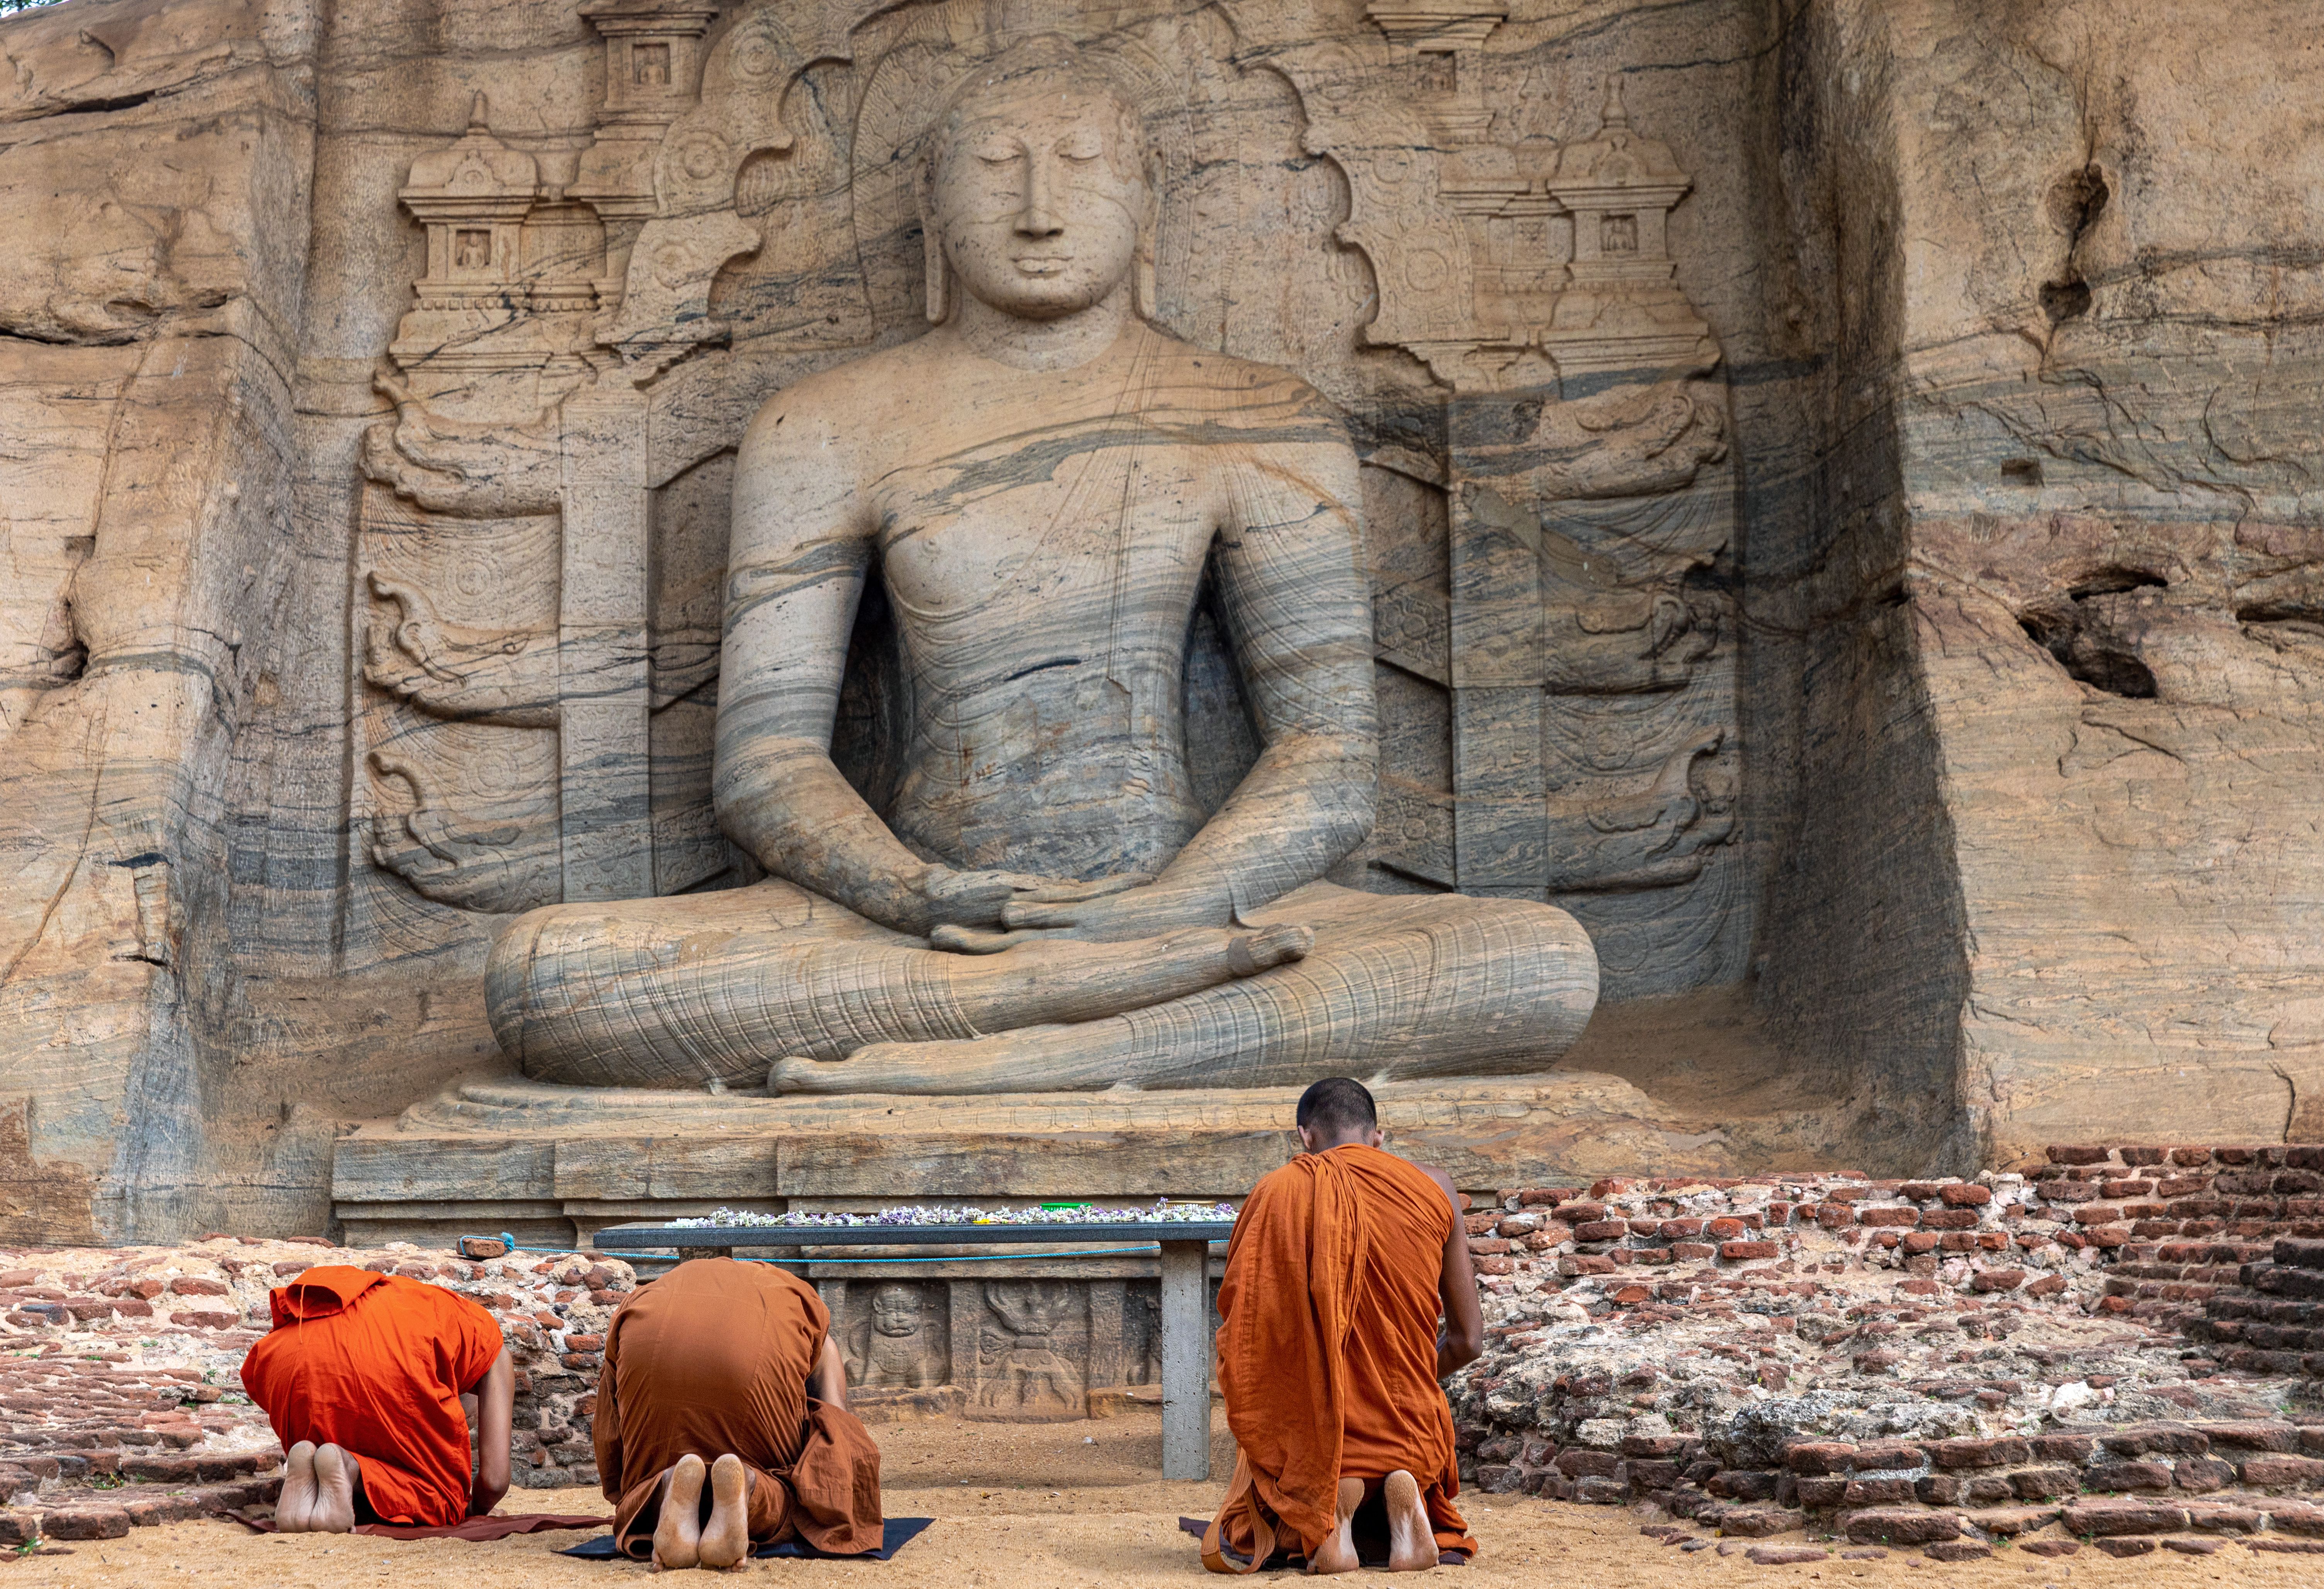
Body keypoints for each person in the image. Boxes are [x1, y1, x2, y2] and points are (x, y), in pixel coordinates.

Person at [1203, 1078, 1485, 1574]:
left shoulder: (1278, 1191)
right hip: (1409, 1428)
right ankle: (1403, 1489)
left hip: (1321, 1441)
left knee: (1291, 1448)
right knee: (1406, 1429)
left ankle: (1333, 1517)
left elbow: (1251, 1342)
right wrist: (1409, 1378)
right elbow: (1468, 1341)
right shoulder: (1433, 1185)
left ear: (1305, 1137)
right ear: (1378, 1137)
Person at [594, 1257, 883, 1569]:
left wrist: (625, 1492)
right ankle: (750, 1486)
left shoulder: (644, 1295)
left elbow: (610, 1434)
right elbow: (836, 1429)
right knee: (795, 1499)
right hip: (758, 1368)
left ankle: (662, 1485)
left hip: (648, 1338)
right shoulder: (801, 1304)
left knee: (638, 1494)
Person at [241, 1265, 513, 1532]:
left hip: (287, 1360)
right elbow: (494, 1481)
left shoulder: (416, 1301)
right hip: (393, 1360)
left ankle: (317, 1473)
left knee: (366, 1460)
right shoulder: (488, 1341)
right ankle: (347, 1467)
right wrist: (472, 1511)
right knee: (439, 1494)